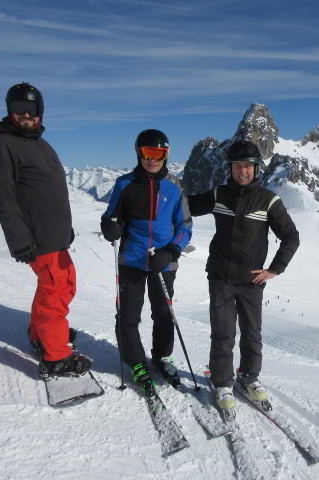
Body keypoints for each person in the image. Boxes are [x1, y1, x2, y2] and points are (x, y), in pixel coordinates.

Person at [0, 82, 91, 376]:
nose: (26, 115)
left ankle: (41, 333)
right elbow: (1, 196)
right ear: (10, 110)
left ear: (40, 112)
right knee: (56, 289)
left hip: (53, 234)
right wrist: (19, 239)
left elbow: (48, 192)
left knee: (59, 284)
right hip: (36, 237)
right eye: (19, 109)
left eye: (32, 109)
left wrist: (64, 229)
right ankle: (55, 356)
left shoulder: (38, 143)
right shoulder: (2, 144)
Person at [188, 140, 300, 410]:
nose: (242, 172)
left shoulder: (268, 200)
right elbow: (186, 206)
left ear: (256, 168)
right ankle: (223, 382)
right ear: (230, 168)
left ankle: (249, 378)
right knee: (223, 333)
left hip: (251, 280)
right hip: (221, 277)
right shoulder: (218, 195)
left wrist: (274, 269)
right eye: (237, 166)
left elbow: (291, 237)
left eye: (248, 167)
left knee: (252, 334)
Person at [100, 129, 192, 395]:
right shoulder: (124, 183)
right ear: (139, 152)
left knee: (164, 314)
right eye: (148, 153)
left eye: (159, 153)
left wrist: (172, 250)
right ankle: (137, 363)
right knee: (128, 315)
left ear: (166, 155)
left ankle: (162, 358)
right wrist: (109, 227)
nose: (153, 159)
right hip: (132, 259)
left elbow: (184, 225)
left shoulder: (175, 186)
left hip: (163, 260)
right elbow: (111, 216)